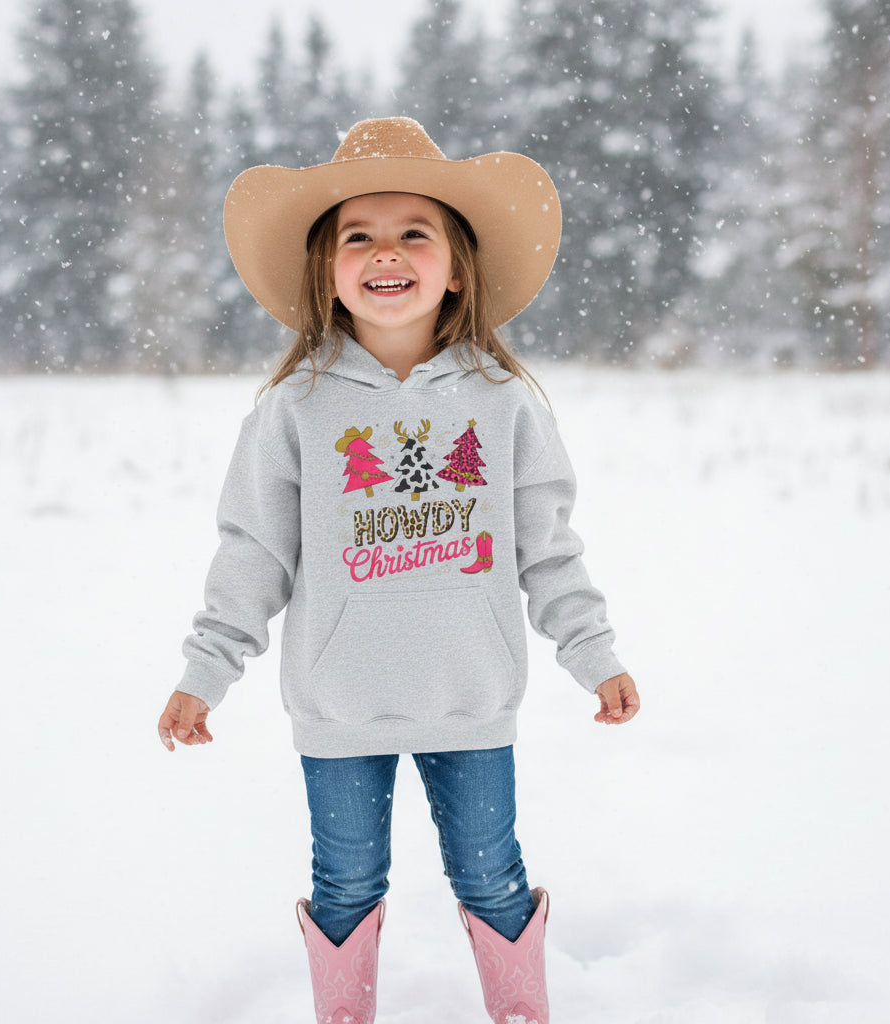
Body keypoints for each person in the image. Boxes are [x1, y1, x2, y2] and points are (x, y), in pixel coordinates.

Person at [157, 117, 640, 1024]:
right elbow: (253, 550)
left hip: (471, 694)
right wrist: (206, 670)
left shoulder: (505, 405)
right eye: (359, 237)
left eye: (414, 232)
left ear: (456, 265)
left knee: (494, 878)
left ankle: (521, 1014)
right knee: (344, 883)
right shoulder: (294, 408)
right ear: (327, 271)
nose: (387, 253)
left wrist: (593, 651)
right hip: (341, 702)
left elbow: (548, 543)